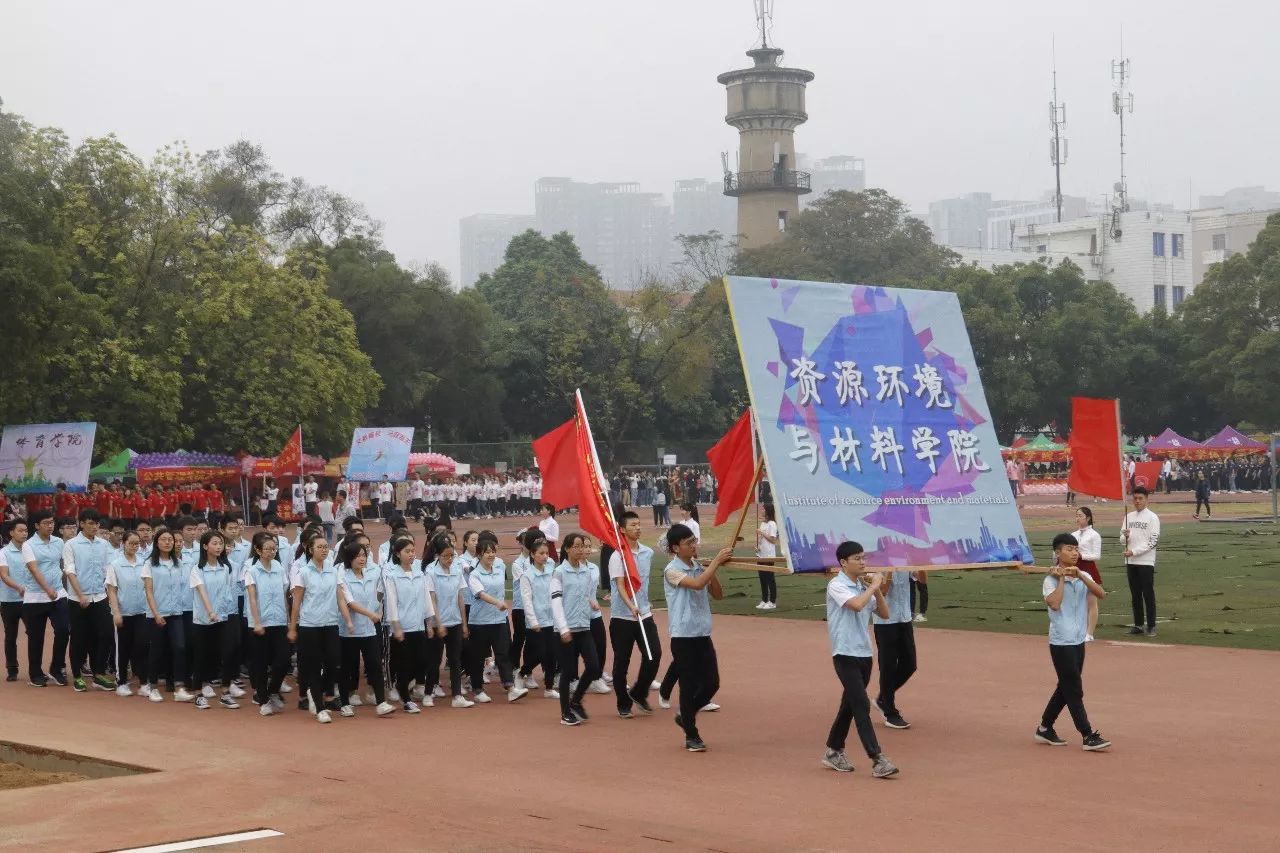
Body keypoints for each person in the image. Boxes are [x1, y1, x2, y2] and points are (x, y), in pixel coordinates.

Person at [822, 541, 899, 778]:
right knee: (861, 704)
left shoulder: (861, 586)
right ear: (843, 563)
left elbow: (884, 614)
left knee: (849, 704)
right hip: (844, 653)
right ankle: (877, 759)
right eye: (857, 558)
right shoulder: (837, 585)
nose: (863, 562)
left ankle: (833, 750)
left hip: (864, 654)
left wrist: (876, 590)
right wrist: (873, 586)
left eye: (864, 558)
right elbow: (855, 605)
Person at [1036, 532, 1112, 751]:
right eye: (1069, 549)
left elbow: (1100, 594)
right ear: (1057, 553)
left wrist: (1080, 576)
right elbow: (1055, 604)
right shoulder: (1049, 580)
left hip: (1078, 641)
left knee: (1066, 687)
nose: (1074, 553)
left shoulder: (1082, 575)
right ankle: (1087, 735)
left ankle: (1044, 728)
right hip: (1061, 643)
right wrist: (1061, 578)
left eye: (1076, 549)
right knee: (1074, 689)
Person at [661, 524, 732, 752]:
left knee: (712, 683)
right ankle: (691, 735)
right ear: (675, 547)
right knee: (688, 685)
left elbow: (718, 595)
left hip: (702, 633)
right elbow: (697, 585)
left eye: (694, 541)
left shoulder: (698, 566)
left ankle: (686, 714)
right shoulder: (672, 570)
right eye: (688, 543)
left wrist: (711, 569)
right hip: (683, 635)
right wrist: (715, 564)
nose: (694, 546)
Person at [290, 537, 348, 723]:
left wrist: (347, 620)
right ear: (310, 550)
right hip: (309, 626)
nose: (324, 550)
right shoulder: (303, 572)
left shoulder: (333, 570)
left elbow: (340, 597)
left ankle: (314, 691)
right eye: (320, 547)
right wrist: (293, 628)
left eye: (326, 547)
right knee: (314, 667)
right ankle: (320, 707)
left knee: (334, 663)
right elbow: (296, 603)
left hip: (331, 623)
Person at [608, 511, 660, 718]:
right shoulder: (617, 555)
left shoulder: (647, 552)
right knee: (622, 661)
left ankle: (638, 692)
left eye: (639, 524)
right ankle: (623, 703)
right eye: (632, 525)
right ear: (622, 529)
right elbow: (620, 585)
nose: (638, 528)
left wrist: (641, 606)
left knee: (654, 654)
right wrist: (630, 606)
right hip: (623, 617)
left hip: (644, 614)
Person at [466, 538, 527, 703]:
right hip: (479, 622)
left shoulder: (499, 570)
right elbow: (481, 593)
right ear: (479, 554)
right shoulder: (474, 574)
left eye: (493, 551)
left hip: (499, 620)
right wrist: (498, 603)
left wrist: (500, 606)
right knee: (478, 656)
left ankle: (510, 687)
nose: (491, 555)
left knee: (503, 654)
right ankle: (478, 689)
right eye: (487, 552)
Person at [337, 540, 394, 717]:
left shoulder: (373, 572)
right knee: (348, 667)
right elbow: (349, 602)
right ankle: (345, 703)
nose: (362, 559)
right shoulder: (342, 576)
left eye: (364, 555)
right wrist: (370, 614)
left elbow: (381, 591)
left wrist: (379, 606)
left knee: (375, 665)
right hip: (349, 631)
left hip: (369, 629)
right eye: (358, 556)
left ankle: (381, 702)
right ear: (349, 558)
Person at [551, 532, 603, 726]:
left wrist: (592, 602)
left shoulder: (587, 571)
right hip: (565, 630)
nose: (581, 550)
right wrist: (563, 628)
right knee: (568, 671)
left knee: (593, 667)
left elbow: (585, 594)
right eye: (576, 546)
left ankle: (576, 700)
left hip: (584, 626)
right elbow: (556, 602)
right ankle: (565, 713)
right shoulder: (559, 573)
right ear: (566, 549)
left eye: (582, 546)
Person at [188, 530, 242, 710]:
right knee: (201, 656)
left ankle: (225, 693)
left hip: (223, 618)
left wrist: (225, 613)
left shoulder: (225, 568)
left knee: (228, 653)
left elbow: (226, 593)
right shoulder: (197, 569)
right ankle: (198, 693)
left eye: (220, 543)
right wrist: (210, 612)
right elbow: (202, 592)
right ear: (205, 546)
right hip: (202, 620)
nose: (219, 547)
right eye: (215, 543)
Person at [19, 510, 71, 687]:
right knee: (36, 637)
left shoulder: (58, 542)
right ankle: (35, 673)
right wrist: (47, 589)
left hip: (58, 595)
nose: (50, 526)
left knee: (64, 629)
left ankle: (56, 669)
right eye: (46, 523)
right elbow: (34, 569)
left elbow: (65, 564)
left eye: (52, 522)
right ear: (36, 526)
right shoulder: (28, 545)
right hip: (35, 597)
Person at [142, 528, 194, 703]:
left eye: (170, 540)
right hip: (157, 614)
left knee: (179, 647)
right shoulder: (149, 564)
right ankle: (153, 687)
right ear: (157, 543)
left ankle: (179, 688)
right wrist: (156, 614)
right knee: (157, 650)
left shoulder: (178, 562)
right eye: (164, 539)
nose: (168, 542)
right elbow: (149, 592)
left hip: (176, 613)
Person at [385, 536, 433, 714]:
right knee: (404, 665)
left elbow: (426, 598)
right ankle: (406, 699)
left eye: (413, 551)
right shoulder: (392, 576)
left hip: (418, 626)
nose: (411, 554)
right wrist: (396, 627)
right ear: (398, 554)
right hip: (402, 628)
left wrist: (429, 622)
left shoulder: (419, 573)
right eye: (407, 551)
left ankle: (403, 686)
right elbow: (391, 602)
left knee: (422, 662)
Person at [243, 533, 290, 716]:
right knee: (260, 663)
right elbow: (252, 598)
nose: (272, 552)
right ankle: (263, 700)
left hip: (278, 620)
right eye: (268, 549)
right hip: (259, 623)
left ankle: (272, 690)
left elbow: (284, 592)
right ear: (257, 550)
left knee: (283, 659)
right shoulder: (251, 570)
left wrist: (286, 617)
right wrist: (257, 622)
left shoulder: (278, 566)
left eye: (274, 548)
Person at [425, 533, 472, 708]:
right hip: (438, 623)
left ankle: (457, 696)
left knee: (455, 659)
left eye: (452, 555)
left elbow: (460, 597)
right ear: (437, 555)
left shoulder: (457, 570)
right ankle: (428, 693)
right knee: (434, 661)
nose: (449, 559)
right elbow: (432, 599)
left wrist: (464, 623)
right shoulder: (430, 571)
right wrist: (438, 623)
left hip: (455, 621)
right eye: (445, 556)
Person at [106, 530, 151, 697]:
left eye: (136, 543)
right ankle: (121, 682)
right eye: (131, 543)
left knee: (142, 647)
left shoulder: (144, 563)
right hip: (124, 613)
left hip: (142, 612)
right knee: (122, 648)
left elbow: (148, 587)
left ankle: (144, 683)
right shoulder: (115, 565)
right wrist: (116, 612)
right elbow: (112, 590)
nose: (134, 546)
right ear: (123, 543)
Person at [871, 563, 916, 730]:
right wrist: (889, 567)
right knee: (888, 666)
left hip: (904, 617)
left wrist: (922, 563)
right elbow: (882, 591)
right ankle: (890, 712)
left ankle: (883, 697)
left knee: (910, 664)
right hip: (885, 620)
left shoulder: (905, 560)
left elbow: (922, 580)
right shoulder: (877, 564)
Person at [518, 538, 560, 698]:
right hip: (535, 621)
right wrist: (533, 620)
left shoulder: (551, 570)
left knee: (552, 654)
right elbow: (527, 600)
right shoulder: (527, 575)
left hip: (552, 620)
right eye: (541, 553)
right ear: (533, 555)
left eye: (547, 553)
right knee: (540, 653)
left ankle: (549, 688)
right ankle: (522, 672)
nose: (545, 556)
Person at [1122, 486, 1161, 637]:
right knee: (1135, 594)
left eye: (1140, 498)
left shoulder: (1152, 517)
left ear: (1146, 499)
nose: (1137, 501)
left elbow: (1153, 541)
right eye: (1135, 498)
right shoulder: (1128, 517)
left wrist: (1135, 551)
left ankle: (1151, 625)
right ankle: (1138, 624)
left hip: (1145, 561)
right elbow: (1122, 539)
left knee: (1148, 594)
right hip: (1130, 561)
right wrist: (1125, 537)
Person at [0, 520, 30, 682]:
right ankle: (12, 668)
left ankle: (35, 667)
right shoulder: (3, 553)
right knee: (10, 636)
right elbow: (4, 575)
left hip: (29, 600)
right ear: (11, 533)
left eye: (26, 530)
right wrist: (19, 587)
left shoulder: (30, 550)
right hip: (9, 600)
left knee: (33, 633)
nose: (24, 533)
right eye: (20, 530)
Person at [1073, 507, 1103, 642]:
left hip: (1088, 568)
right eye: (1076, 515)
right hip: (1074, 568)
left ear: (1088, 518)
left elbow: (1097, 555)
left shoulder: (1094, 535)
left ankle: (1089, 633)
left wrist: (1081, 555)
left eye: (1080, 515)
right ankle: (1078, 629)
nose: (1077, 518)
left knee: (1091, 602)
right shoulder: (1073, 534)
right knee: (1076, 602)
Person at [756, 504, 779, 610]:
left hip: (769, 556)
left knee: (770, 579)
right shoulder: (762, 524)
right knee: (762, 579)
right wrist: (757, 546)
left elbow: (773, 540)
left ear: (768, 511)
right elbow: (761, 539)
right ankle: (764, 599)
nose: (762, 510)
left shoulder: (772, 524)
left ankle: (772, 601)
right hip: (761, 555)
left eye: (763, 509)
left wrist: (762, 533)